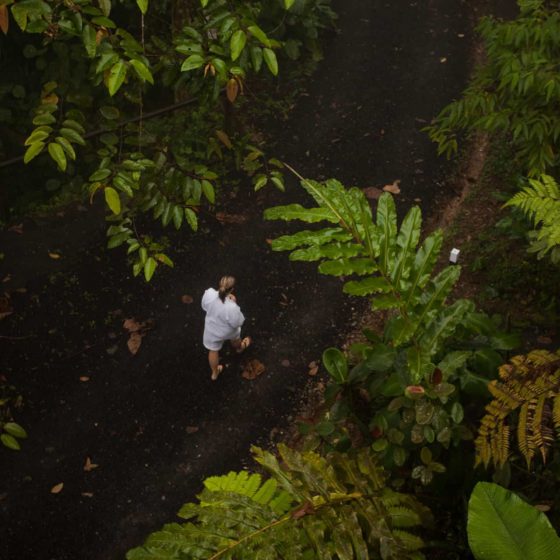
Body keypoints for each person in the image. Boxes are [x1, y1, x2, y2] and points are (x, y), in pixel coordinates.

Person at [201, 275, 251, 380]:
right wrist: (234, 302)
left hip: (212, 330)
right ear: (232, 290)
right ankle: (239, 348)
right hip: (227, 331)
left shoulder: (209, 294)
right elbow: (238, 322)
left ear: (220, 284)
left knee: (213, 350)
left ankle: (215, 373)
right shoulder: (231, 307)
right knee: (235, 339)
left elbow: (204, 306)